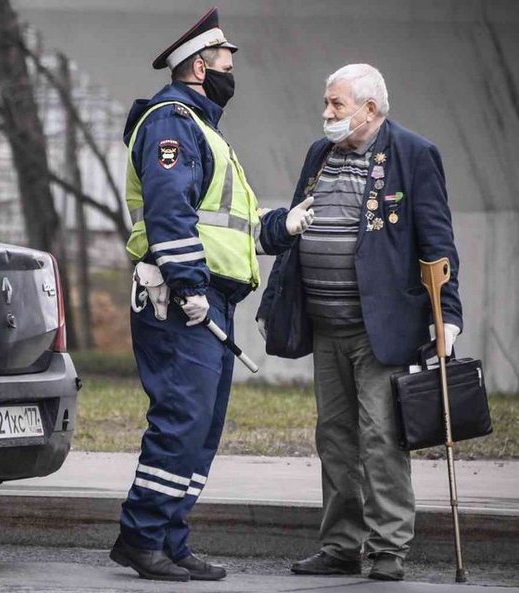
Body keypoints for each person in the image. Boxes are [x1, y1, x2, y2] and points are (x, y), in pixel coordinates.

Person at [109, 6, 315, 582]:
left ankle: (170, 539)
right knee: (182, 420)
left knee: (200, 426)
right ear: (200, 65)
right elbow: (170, 213)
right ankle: (142, 538)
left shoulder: (205, 132)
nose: (231, 67)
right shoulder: (172, 122)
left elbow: (230, 228)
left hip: (206, 302)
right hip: (180, 301)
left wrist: (284, 227)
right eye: (226, 59)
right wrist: (190, 287)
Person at [256, 63, 463, 582]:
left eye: (336, 105)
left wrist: (449, 316)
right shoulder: (319, 154)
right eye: (326, 104)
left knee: (380, 436)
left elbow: (437, 242)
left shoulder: (413, 154)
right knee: (335, 437)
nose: (326, 114)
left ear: (370, 109)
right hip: (327, 325)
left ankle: (389, 546)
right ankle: (342, 544)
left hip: (382, 328)